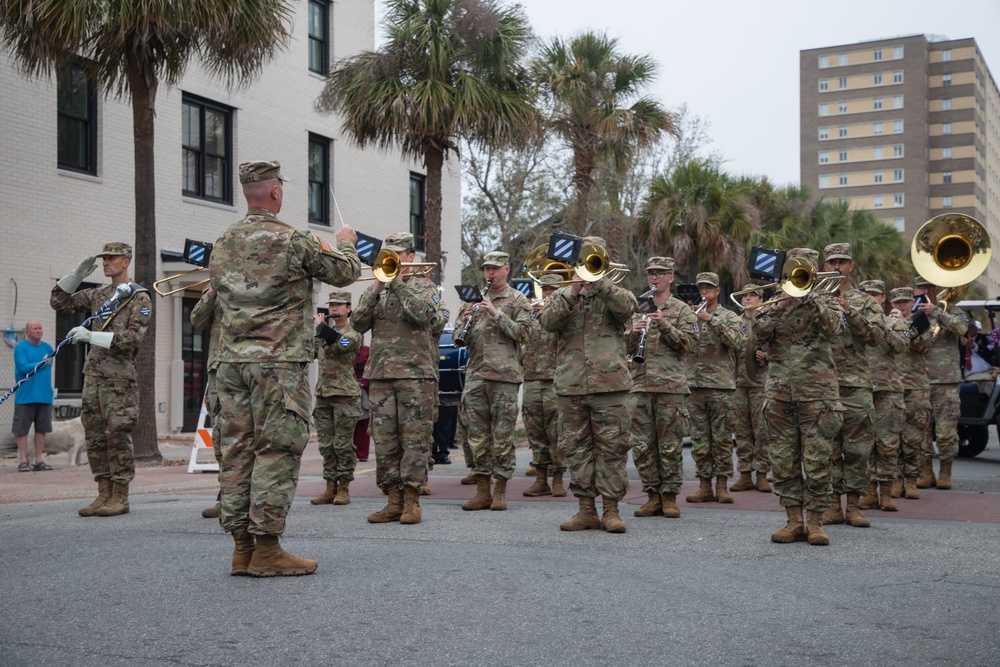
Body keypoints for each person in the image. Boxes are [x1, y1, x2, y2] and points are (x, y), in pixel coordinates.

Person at [210, 160, 360, 577]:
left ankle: (242, 548)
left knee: (237, 452)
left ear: (247, 193)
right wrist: (346, 241)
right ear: (275, 192)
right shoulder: (293, 239)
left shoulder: (222, 242)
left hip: (231, 365)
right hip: (277, 365)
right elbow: (345, 273)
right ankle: (268, 549)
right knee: (276, 451)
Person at [539, 236, 637, 534]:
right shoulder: (564, 294)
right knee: (576, 448)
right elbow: (547, 322)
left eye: (592, 259)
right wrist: (573, 290)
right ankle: (585, 509)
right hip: (571, 385)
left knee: (612, 449)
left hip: (610, 386)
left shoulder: (616, 291)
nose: (586, 266)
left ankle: (610, 510)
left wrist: (600, 283)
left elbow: (627, 309)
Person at [51, 242, 151, 517]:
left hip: (119, 380)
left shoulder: (139, 298)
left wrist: (91, 336)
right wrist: (76, 274)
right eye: (103, 259)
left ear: (126, 261)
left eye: (111, 258)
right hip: (93, 376)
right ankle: (103, 492)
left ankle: (120, 495)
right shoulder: (100, 295)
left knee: (117, 435)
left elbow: (132, 338)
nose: (105, 263)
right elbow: (59, 302)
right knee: (94, 437)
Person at [752, 248, 845, 546]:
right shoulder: (773, 304)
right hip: (780, 394)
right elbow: (757, 332)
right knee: (782, 460)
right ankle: (793, 521)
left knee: (818, 459)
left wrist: (811, 297)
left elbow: (835, 330)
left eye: (806, 267)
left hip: (818, 395)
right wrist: (781, 305)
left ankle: (816, 521)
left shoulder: (828, 300)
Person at [353, 231, 447, 525]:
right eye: (387, 254)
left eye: (396, 254)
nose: (390, 259)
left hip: (415, 375)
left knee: (415, 440)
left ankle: (411, 500)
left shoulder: (425, 286)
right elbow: (357, 323)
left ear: (410, 257)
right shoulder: (378, 287)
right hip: (381, 374)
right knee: (384, 440)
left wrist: (398, 284)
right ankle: (392, 499)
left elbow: (422, 316)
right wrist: (376, 289)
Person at [453, 251, 531, 511]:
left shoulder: (518, 299)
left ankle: (500, 491)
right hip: (476, 376)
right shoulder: (470, 301)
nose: (490, 273)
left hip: (504, 377)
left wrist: (496, 312)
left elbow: (524, 333)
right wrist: (465, 321)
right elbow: (456, 336)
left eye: (495, 268)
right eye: (487, 268)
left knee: (502, 436)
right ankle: (482, 490)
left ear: (506, 269)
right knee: (477, 436)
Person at [626, 257, 697, 519]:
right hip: (641, 385)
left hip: (670, 387)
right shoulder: (638, 306)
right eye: (651, 274)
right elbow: (624, 347)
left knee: (670, 445)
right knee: (643, 446)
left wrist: (664, 324)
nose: (654, 278)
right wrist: (633, 332)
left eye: (660, 273)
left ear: (671, 277)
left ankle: (669, 497)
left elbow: (689, 345)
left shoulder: (681, 310)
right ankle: (651, 495)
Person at [820, 243, 885, 529]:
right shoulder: (813, 297)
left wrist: (849, 311)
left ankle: (855, 506)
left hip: (856, 384)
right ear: (824, 266)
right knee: (828, 449)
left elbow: (877, 337)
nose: (836, 267)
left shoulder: (865, 301)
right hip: (822, 384)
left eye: (842, 262)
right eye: (831, 262)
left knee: (858, 450)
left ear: (851, 266)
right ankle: (833, 506)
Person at [685, 272, 744, 504]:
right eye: (700, 289)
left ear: (717, 291)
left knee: (721, 439)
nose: (703, 293)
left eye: (708, 289)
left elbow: (738, 342)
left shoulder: (728, 316)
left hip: (720, 385)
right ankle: (703, 485)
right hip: (694, 385)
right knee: (699, 439)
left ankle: (722, 485)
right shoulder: (688, 317)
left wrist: (711, 320)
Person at [914, 275, 969, 490]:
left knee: (946, 430)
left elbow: (963, 329)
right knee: (921, 431)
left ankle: (946, 472)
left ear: (935, 289)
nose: (922, 291)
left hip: (946, 380)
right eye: (919, 288)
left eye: (926, 287)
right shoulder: (915, 313)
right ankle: (926, 472)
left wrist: (936, 312)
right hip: (920, 380)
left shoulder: (953, 310)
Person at [858, 280, 908, 512]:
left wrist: (882, 325)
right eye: (866, 294)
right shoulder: (853, 322)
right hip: (861, 389)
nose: (870, 298)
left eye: (874, 295)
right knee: (864, 445)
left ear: (883, 299)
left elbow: (901, 346)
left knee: (888, 444)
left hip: (888, 390)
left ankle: (886, 493)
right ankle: (869, 492)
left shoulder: (895, 322)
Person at [310, 291, 362, 507]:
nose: (334, 309)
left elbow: (340, 346)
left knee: (342, 444)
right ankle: (329, 486)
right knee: (326, 444)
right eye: (331, 305)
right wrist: (317, 332)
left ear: (348, 308)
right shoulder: (323, 333)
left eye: (339, 305)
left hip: (345, 395)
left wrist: (322, 329)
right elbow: (311, 352)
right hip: (323, 394)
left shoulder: (353, 332)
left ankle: (343, 488)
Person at [521, 274, 565, 498]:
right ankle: (540, 479)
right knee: (535, 431)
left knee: (556, 431)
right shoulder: (531, 313)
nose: (547, 294)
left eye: (552, 290)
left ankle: (558, 478)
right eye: (545, 290)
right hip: (530, 378)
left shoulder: (562, 314)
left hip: (554, 380)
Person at [887, 287, 933, 500]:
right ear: (891, 304)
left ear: (912, 302)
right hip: (893, 386)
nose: (902, 305)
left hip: (916, 387)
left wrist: (904, 324)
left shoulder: (921, 322)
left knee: (914, 437)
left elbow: (924, 344)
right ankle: (896, 480)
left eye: (905, 301)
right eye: (897, 302)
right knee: (893, 436)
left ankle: (912, 480)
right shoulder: (885, 322)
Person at [730, 285, 772, 493]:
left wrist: (767, 355)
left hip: (761, 382)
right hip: (738, 383)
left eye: (752, 295)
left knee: (762, 430)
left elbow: (782, 347)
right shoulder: (735, 322)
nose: (747, 299)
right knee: (742, 431)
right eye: (744, 296)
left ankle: (762, 474)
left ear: (761, 298)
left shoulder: (767, 321)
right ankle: (745, 474)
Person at [190, 288, 223, 519]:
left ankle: (257, 503)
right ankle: (227, 499)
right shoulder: (217, 290)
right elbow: (197, 320)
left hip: (253, 373)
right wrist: (212, 292)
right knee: (222, 443)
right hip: (220, 375)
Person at [13, 320, 54, 472]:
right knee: (22, 429)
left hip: (44, 396)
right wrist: (42, 362)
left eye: (40, 328)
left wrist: (41, 363)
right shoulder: (21, 347)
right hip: (26, 396)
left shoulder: (48, 348)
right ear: (27, 332)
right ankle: (23, 460)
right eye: (35, 328)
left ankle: (39, 460)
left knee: (41, 429)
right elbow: (23, 367)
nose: (38, 331)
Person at [354, 344, 371, 462]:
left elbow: (371, 367)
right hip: (346, 387)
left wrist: (365, 383)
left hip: (362, 388)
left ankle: (362, 453)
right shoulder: (344, 345)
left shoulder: (366, 351)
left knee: (363, 422)